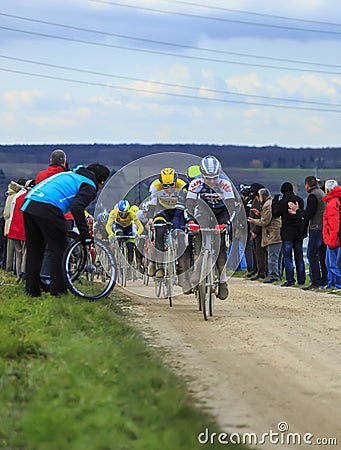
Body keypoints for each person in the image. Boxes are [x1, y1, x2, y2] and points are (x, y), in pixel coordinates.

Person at [21, 163, 110, 297]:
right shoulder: (89, 186)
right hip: (48, 206)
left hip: (29, 203)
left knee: (35, 250)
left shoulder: (71, 175)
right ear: (101, 181)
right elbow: (77, 207)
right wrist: (85, 233)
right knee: (61, 250)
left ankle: (32, 291)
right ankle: (59, 291)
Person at [186, 155, 237, 300]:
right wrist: (190, 221)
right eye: (208, 178)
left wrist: (226, 224)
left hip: (222, 212)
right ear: (202, 175)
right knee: (198, 236)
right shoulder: (196, 184)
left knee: (220, 245)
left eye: (214, 177)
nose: (211, 181)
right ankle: (197, 270)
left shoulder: (225, 184)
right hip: (203, 210)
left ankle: (222, 280)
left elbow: (232, 209)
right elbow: (189, 206)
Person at [288, 175, 327, 290]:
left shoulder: (313, 196)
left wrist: (297, 211)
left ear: (307, 185)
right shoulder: (322, 193)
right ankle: (325, 279)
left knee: (312, 254)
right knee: (322, 256)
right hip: (324, 228)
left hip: (316, 228)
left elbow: (309, 213)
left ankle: (315, 281)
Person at [147, 168, 186, 279]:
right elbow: (153, 204)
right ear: (161, 183)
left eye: (172, 185)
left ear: (176, 181)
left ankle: (181, 263)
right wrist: (150, 218)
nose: (169, 189)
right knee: (159, 232)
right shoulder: (155, 186)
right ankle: (159, 267)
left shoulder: (182, 185)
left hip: (177, 211)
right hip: (162, 211)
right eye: (165, 186)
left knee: (181, 234)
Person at [272, 182, 306, 287]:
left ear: (282, 191)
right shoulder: (299, 200)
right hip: (299, 231)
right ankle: (301, 279)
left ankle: (290, 280)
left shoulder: (282, 202)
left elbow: (275, 214)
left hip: (287, 232)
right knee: (299, 257)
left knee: (288, 257)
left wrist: (275, 202)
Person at [248, 188, 282, 283]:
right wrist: (259, 214)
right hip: (272, 233)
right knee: (274, 256)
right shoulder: (269, 204)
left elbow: (265, 221)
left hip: (272, 233)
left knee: (272, 257)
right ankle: (275, 274)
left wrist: (254, 220)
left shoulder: (267, 205)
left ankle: (273, 275)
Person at [7, 179, 35, 279]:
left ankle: (18, 275)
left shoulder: (18, 197)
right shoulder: (31, 198)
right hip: (24, 230)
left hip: (14, 230)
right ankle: (24, 275)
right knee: (25, 254)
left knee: (18, 254)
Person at [105, 200, 144, 268]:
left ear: (128, 211)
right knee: (119, 236)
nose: (123, 215)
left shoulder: (132, 214)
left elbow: (140, 227)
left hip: (128, 229)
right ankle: (118, 255)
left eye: (125, 213)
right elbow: (108, 226)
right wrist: (111, 234)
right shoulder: (114, 213)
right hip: (119, 227)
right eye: (121, 213)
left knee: (130, 246)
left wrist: (138, 234)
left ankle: (130, 264)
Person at [321, 180, 341, 289]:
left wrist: (332, 240)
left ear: (327, 189)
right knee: (329, 263)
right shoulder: (336, 200)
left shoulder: (332, 203)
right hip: (333, 237)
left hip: (333, 239)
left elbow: (334, 224)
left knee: (332, 264)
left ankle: (337, 284)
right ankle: (331, 283)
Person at [248, 183, 267, 281]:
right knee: (258, 252)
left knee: (260, 252)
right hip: (256, 228)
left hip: (258, 229)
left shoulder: (257, 200)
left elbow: (257, 216)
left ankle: (261, 272)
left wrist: (254, 231)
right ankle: (259, 270)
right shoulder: (257, 199)